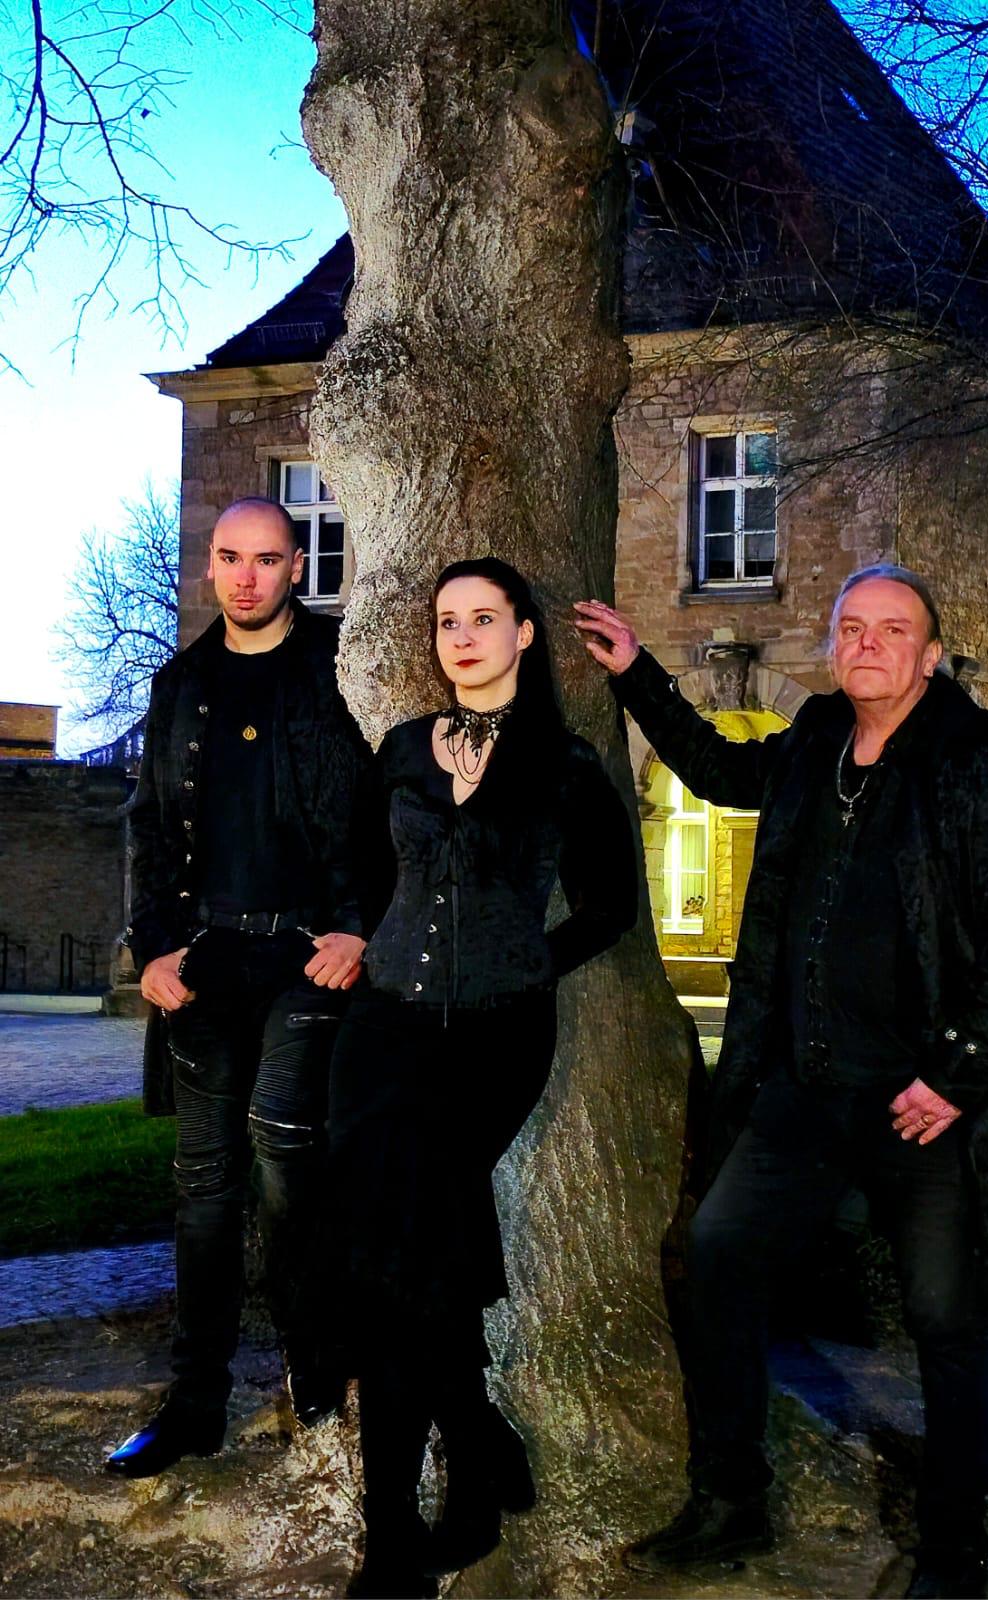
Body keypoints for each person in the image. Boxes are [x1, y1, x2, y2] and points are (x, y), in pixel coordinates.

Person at [575, 565, 988, 1600]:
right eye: (852, 626)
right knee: (717, 1255)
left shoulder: (978, 760)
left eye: (893, 629)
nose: (867, 643)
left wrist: (957, 1074)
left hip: (922, 1102)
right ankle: (732, 1501)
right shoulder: (815, 739)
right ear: (833, 643)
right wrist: (637, 673)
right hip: (805, 1086)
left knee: (944, 1319)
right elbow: (716, 768)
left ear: (930, 654)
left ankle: (952, 1546)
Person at [326, 558, 637, 1600]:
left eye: (482, 618)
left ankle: (417, 1520)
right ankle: (456, 1472)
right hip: (383, 1033)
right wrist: (358, 937)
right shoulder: (401, 749)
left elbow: (610, 906)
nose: (460, 637)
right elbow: (361, 872)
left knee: (410, 1259)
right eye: (447, 621)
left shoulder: (566, 764)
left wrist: (528, 963)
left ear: (523, 633)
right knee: (407, 1268)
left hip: (495, 1041)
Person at [107, 497, 377, 1479]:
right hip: (207, 961)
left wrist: (362, 925)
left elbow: (384, 807)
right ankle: (196, 1402)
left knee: (284, 1146)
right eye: (231, 558)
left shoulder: (339, 664)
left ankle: (317, 1366)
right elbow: (147, 824)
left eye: (267, 558)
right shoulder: (181, 682)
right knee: (204, 1186)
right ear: (212, 566)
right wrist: (151, 949)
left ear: (297, 564)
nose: (248, 576)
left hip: (308, 954)